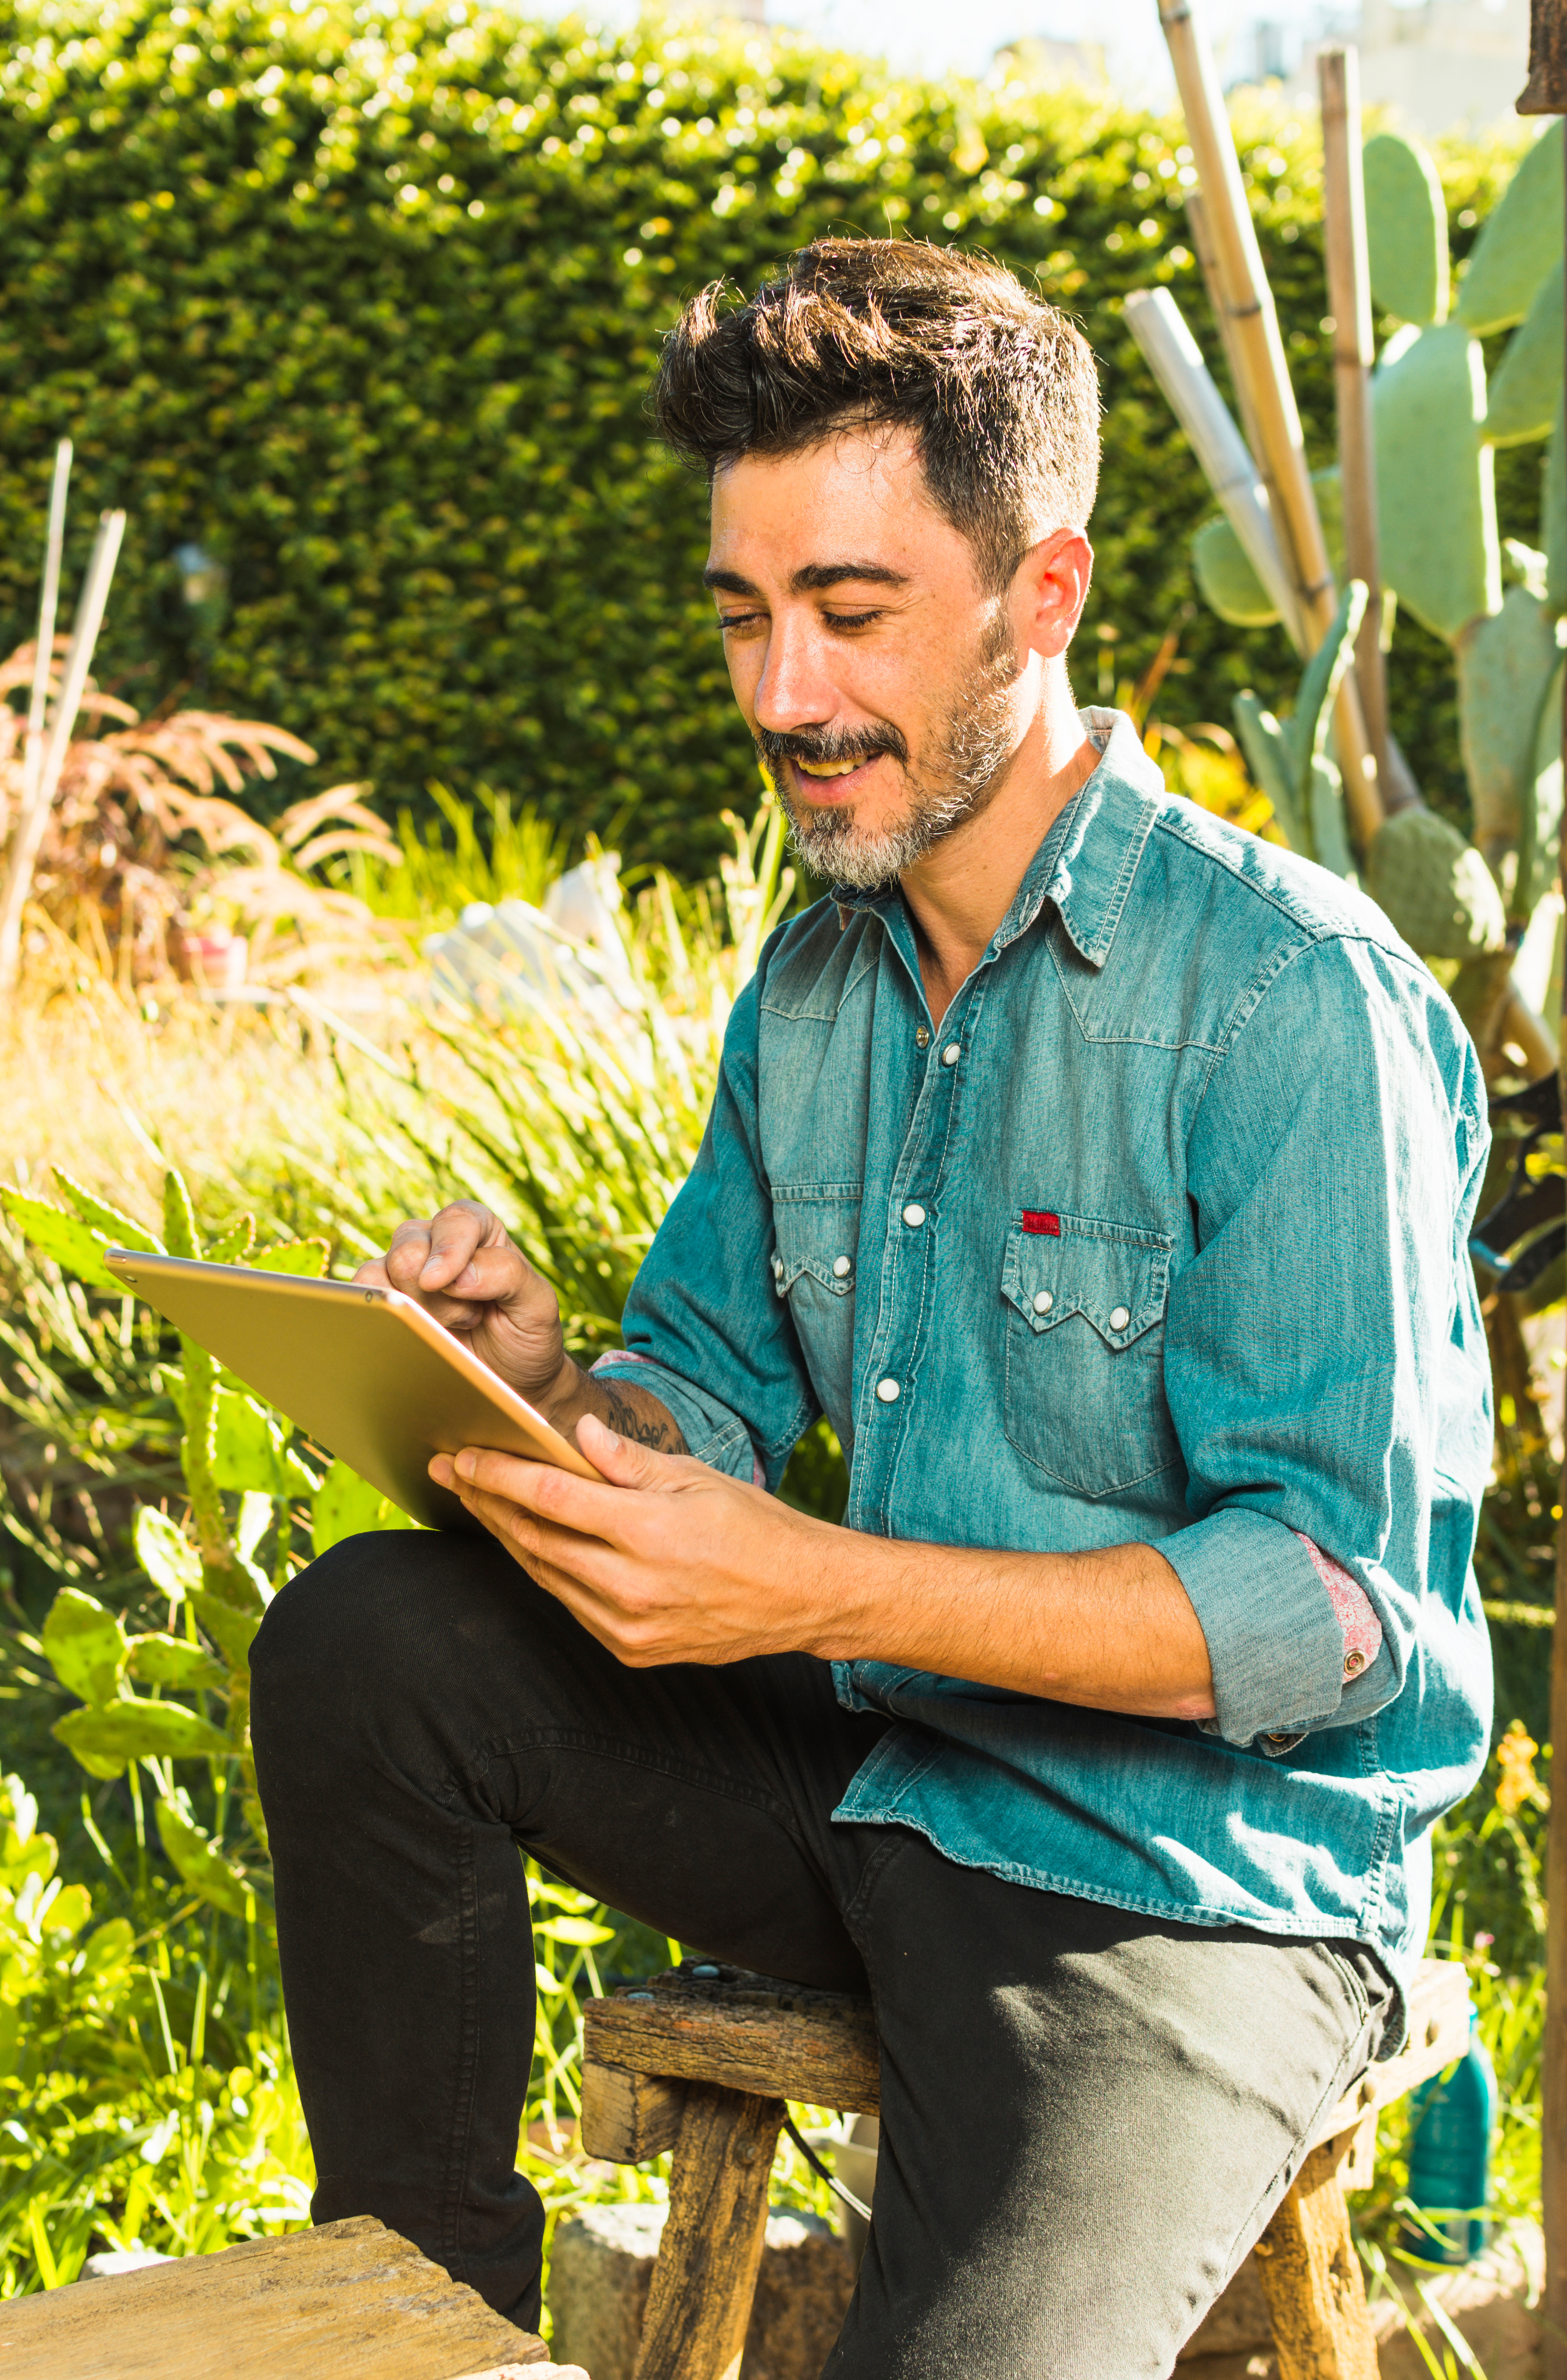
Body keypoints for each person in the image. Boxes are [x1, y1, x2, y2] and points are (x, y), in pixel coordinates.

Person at [251, 239, 1494, 2378]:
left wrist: (810, 1582)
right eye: (743, 616)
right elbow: (708, 1391)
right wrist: (550, 1389)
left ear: (1042, 593)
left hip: (1188, 1886)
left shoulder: (1293, 1004)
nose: (779, 696)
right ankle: (422, 2329)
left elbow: (1333, 1616)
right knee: (370, 1636)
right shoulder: (817, 983)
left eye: (848, 613)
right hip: (880, 1782)